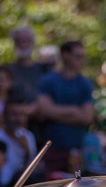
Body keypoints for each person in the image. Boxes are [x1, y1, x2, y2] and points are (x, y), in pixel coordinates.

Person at [37, 40, 94, 173]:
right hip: (51, 149)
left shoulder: (85, 84)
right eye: (77, 56)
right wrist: (74, 111)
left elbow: (87, 117)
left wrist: (55, 114)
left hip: (76, 149)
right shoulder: (48, 81)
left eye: (82, 56)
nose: (81, 60)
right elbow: (44, 110)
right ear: (65, 55)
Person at [0, 96, 37, 187]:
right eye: (14, 114)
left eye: (22, 114)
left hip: (20, 185)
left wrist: (27, 150)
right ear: (4, 115)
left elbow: (32, 168)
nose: (19, 119)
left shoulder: (28, 136)